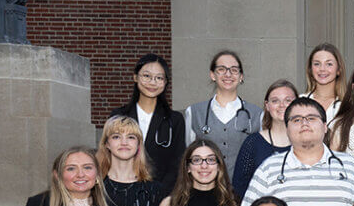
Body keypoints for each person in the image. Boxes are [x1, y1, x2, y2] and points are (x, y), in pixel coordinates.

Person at [109, 53, 186, 190]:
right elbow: (109, 155)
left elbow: (178, 163)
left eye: (159, 78)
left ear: (165, 82)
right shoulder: (119, 115)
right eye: (147, 76)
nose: (152, 82)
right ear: (135, 77)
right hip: (122, 188)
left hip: (160, 193)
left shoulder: (175, 120)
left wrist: (162, 195)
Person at [97, 115, 165, 206]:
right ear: (106, 144)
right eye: (116, 136)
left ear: (138, 144)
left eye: (131, 137)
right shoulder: (94, 189)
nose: (124, 142)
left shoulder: (156, 192)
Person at [184, 50, 262, 178]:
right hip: (205, 190)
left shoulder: (257, 115)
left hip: (243, 191)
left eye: (234, 70)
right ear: (212, 75)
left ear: (241, 76)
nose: (228, 74)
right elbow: (187, 155)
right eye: (221, 69)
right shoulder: (193, 112)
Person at [232, 79, 300, 196]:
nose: (282, 105)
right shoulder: (253, 143)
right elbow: (239, 187)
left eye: (288, 100)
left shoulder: (307, 142)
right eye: (275, 101)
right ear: (267, 106)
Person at [301, 43, 346, 123]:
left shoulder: (348, 105)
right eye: (317, 64)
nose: (322, 69)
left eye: (329, 64)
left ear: (338, 70)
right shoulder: (299, 102)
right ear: (310, 70)